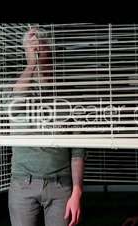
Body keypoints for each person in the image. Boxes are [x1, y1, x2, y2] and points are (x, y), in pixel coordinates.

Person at [7, 28, 85, 226]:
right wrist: (32, 64)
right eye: (32, 48)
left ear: (50, 50)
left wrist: (77, 191)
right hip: (22, 183)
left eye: (41, 46)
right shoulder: (17, 86)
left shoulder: (68, 93)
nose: (37, 50)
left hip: (60, 185)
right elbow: (13, 107)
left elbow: (78, 148)